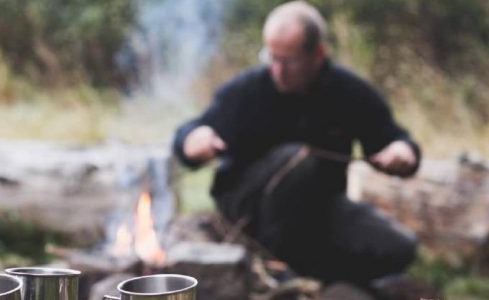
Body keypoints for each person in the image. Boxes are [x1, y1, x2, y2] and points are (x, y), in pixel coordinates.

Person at [172, 0, 421, 293]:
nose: (277, 70)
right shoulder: (248, 90)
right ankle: (277, 270)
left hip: (319, 211)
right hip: (247, 213)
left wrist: (402, 153)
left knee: (399, 247)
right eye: (271, 57)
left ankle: (320, 276)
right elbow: (190, 134)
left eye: (288, 61)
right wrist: (193, 141)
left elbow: (395, 139)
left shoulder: (348, 93)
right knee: (298, 159)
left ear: (317, 54)